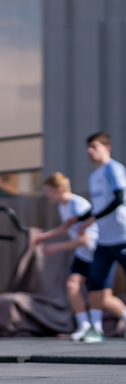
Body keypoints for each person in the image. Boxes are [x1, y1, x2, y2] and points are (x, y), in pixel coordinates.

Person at [33, 172, 101, 341]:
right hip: (83, 254)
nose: (47, 195)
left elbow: (83, 240)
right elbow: (65, 228)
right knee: (72, 284)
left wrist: (55, 247)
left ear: (59, 190)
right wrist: (46, 236)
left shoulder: (79, 205)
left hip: (96, 253)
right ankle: (84, 325)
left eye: (48, 191)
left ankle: (120, 317)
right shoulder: (63, 206)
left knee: (102, 297)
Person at [72, 132, 126, 342]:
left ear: (107, 148)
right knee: (96, 282)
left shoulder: (114, 169)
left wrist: (91, 219)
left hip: (122, 236)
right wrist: (79, 219)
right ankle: (96, 328)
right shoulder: (94, 176)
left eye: (94, 146)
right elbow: (97, 207)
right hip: (104, 241)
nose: (90, 151)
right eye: (88, 147)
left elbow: (119, 199)